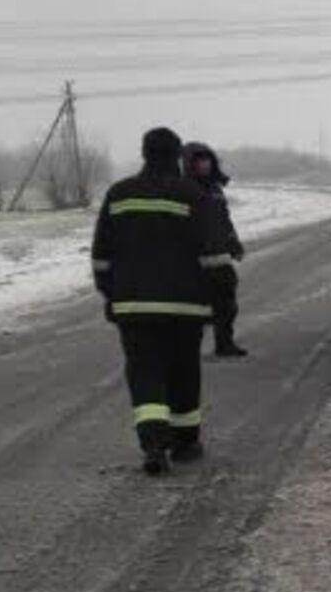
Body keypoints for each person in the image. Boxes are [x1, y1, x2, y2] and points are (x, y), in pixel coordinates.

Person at [91, 127, 231, 475]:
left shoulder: (119, 194)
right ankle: (185, 442)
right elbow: (215, 256)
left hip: (134, 308)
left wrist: (112, 295)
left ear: (144, 153)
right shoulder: (193, 195)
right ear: (177, 156)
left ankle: (153, 442)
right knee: (184, 370)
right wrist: (221, 300)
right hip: (186, 308)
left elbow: (101, 257)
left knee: (144, 371)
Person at [183, 141, 247, 357]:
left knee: (227, 305)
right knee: (194, 309)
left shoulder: (216, 189)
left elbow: (224, 220)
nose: (205, 164)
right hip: (194, 261)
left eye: (208, 159)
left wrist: (234, 243)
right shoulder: (182, 189)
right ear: (190, 163)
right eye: (200, 160)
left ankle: (224, 344)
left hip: (220, 257)